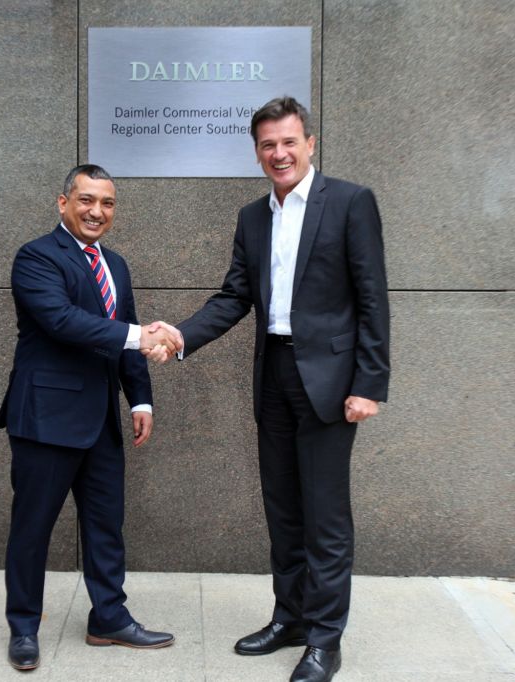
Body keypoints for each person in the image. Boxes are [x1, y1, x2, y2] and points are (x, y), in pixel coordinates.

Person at [149, 96, 390, 682]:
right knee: (283, 509)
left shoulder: (351, 203)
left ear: (310, 144)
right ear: (257, 153)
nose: (279, 153)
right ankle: (292, 618)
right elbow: (234, 297)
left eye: (289, 141)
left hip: (332, 385)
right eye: (267, 145)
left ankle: (326, 640)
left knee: (325, 517)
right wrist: (179, 335)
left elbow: (372, 298)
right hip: (275, 376)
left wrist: (369, 383)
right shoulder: (253, 218)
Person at [0, 164, 181, 671]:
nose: (97, 211)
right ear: (63, 203)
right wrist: (136, 336)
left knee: (106, 525)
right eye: (86, 200)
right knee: (32, 528)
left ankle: (109, 619)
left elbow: (125, 333)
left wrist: (139, 400)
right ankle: (24, 628)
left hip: (100, 420)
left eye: (107, 203)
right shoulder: (36, 256)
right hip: (46, 419)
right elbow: (60, 320)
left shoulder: (115, 265)